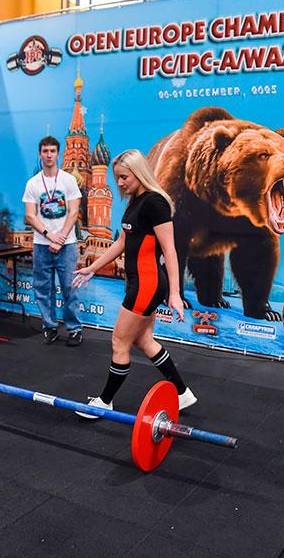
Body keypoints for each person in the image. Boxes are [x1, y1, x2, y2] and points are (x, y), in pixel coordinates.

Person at [72, 149, 196, 415]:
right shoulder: (134, 202)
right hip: (140, 284)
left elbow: (170, 250)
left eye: (124, 177)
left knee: (119, 342)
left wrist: (175, 294)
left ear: (139, 173)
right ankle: (182, 393)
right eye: (117, 177)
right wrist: (92, 268)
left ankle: (104, 402)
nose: (120, 183)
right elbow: (121, 242)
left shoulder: (155, 203)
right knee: (144, 341)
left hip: (147, 285)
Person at [23, 136, 84, 346]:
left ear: (58, 154)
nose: (49, 155)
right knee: (43, 288)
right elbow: (30, 215)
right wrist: (50, 236)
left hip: (67, 245)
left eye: (52, 151)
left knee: (69, 288)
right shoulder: (33, 183)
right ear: (39, 154)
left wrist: (61, 238)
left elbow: (73, 212)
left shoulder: (68, 180)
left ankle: (74, 328)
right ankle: (49, 326)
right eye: (45, 151)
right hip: (42, 245)